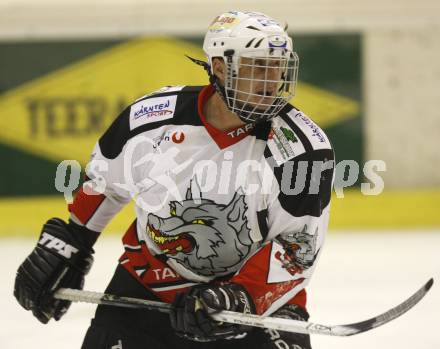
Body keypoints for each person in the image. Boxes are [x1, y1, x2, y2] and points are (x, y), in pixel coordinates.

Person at [14, 10, 334, 349]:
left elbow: (297, 248)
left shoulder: (302, 149)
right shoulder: (150, 120)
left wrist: (239, 298)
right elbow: (106, 184)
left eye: (277, 67)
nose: (271, 82)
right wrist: (73, 242)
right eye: (257, 66)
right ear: (221, 67)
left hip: (255, 304)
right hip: (152, 283)